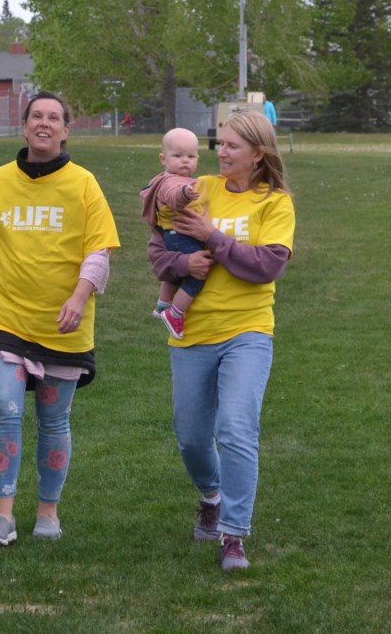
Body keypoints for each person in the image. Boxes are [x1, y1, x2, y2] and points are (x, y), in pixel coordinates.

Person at [0, 91, 121, 548]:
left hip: (63, 328)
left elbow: (98, 251)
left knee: (52, 420)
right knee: (4, 408)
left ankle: (48, 511)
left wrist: (79, 297)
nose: (44, 124)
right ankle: (2, 517)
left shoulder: (84, 184)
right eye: (36, 117)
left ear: (66, 130)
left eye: (54, 118)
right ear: (24, 127)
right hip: (3, 318)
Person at [147, 110, 295, 572]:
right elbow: (158, 249)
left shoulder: (275, 203)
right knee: (191, 436)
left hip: (248, 330)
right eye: (221, 143)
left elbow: (266, 266)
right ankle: (211, 497)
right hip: (191, 332)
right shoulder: (198, 189)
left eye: (232, 145)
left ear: (258, 153)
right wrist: (181, 267)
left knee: (235, 428)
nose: (221, 152)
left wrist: (212, 237)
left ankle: (234, 534)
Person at [140, 127, 205, 339]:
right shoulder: (171, 181)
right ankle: (175, 313)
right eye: (178, 156)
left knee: (176, 276)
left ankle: (162, 305)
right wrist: (185, 193)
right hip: (182, 235)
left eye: (191, 156)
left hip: (173, 235)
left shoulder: (171, 177)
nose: (185, 161)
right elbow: (173, 197)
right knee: (197, 275)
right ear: (163, 158)